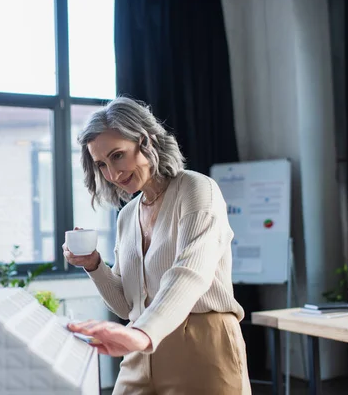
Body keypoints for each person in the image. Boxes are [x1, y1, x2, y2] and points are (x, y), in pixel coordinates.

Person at [63, 97, 251, 394]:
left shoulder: (197, 190)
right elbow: (126, 306)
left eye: (117, 156)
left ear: (147, 142)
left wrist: (142, 333)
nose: (112, 174)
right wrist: (94, 266)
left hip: (202, 343)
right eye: (101, 164)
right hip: (139, 347)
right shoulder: (127, 215)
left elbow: (190, 273)